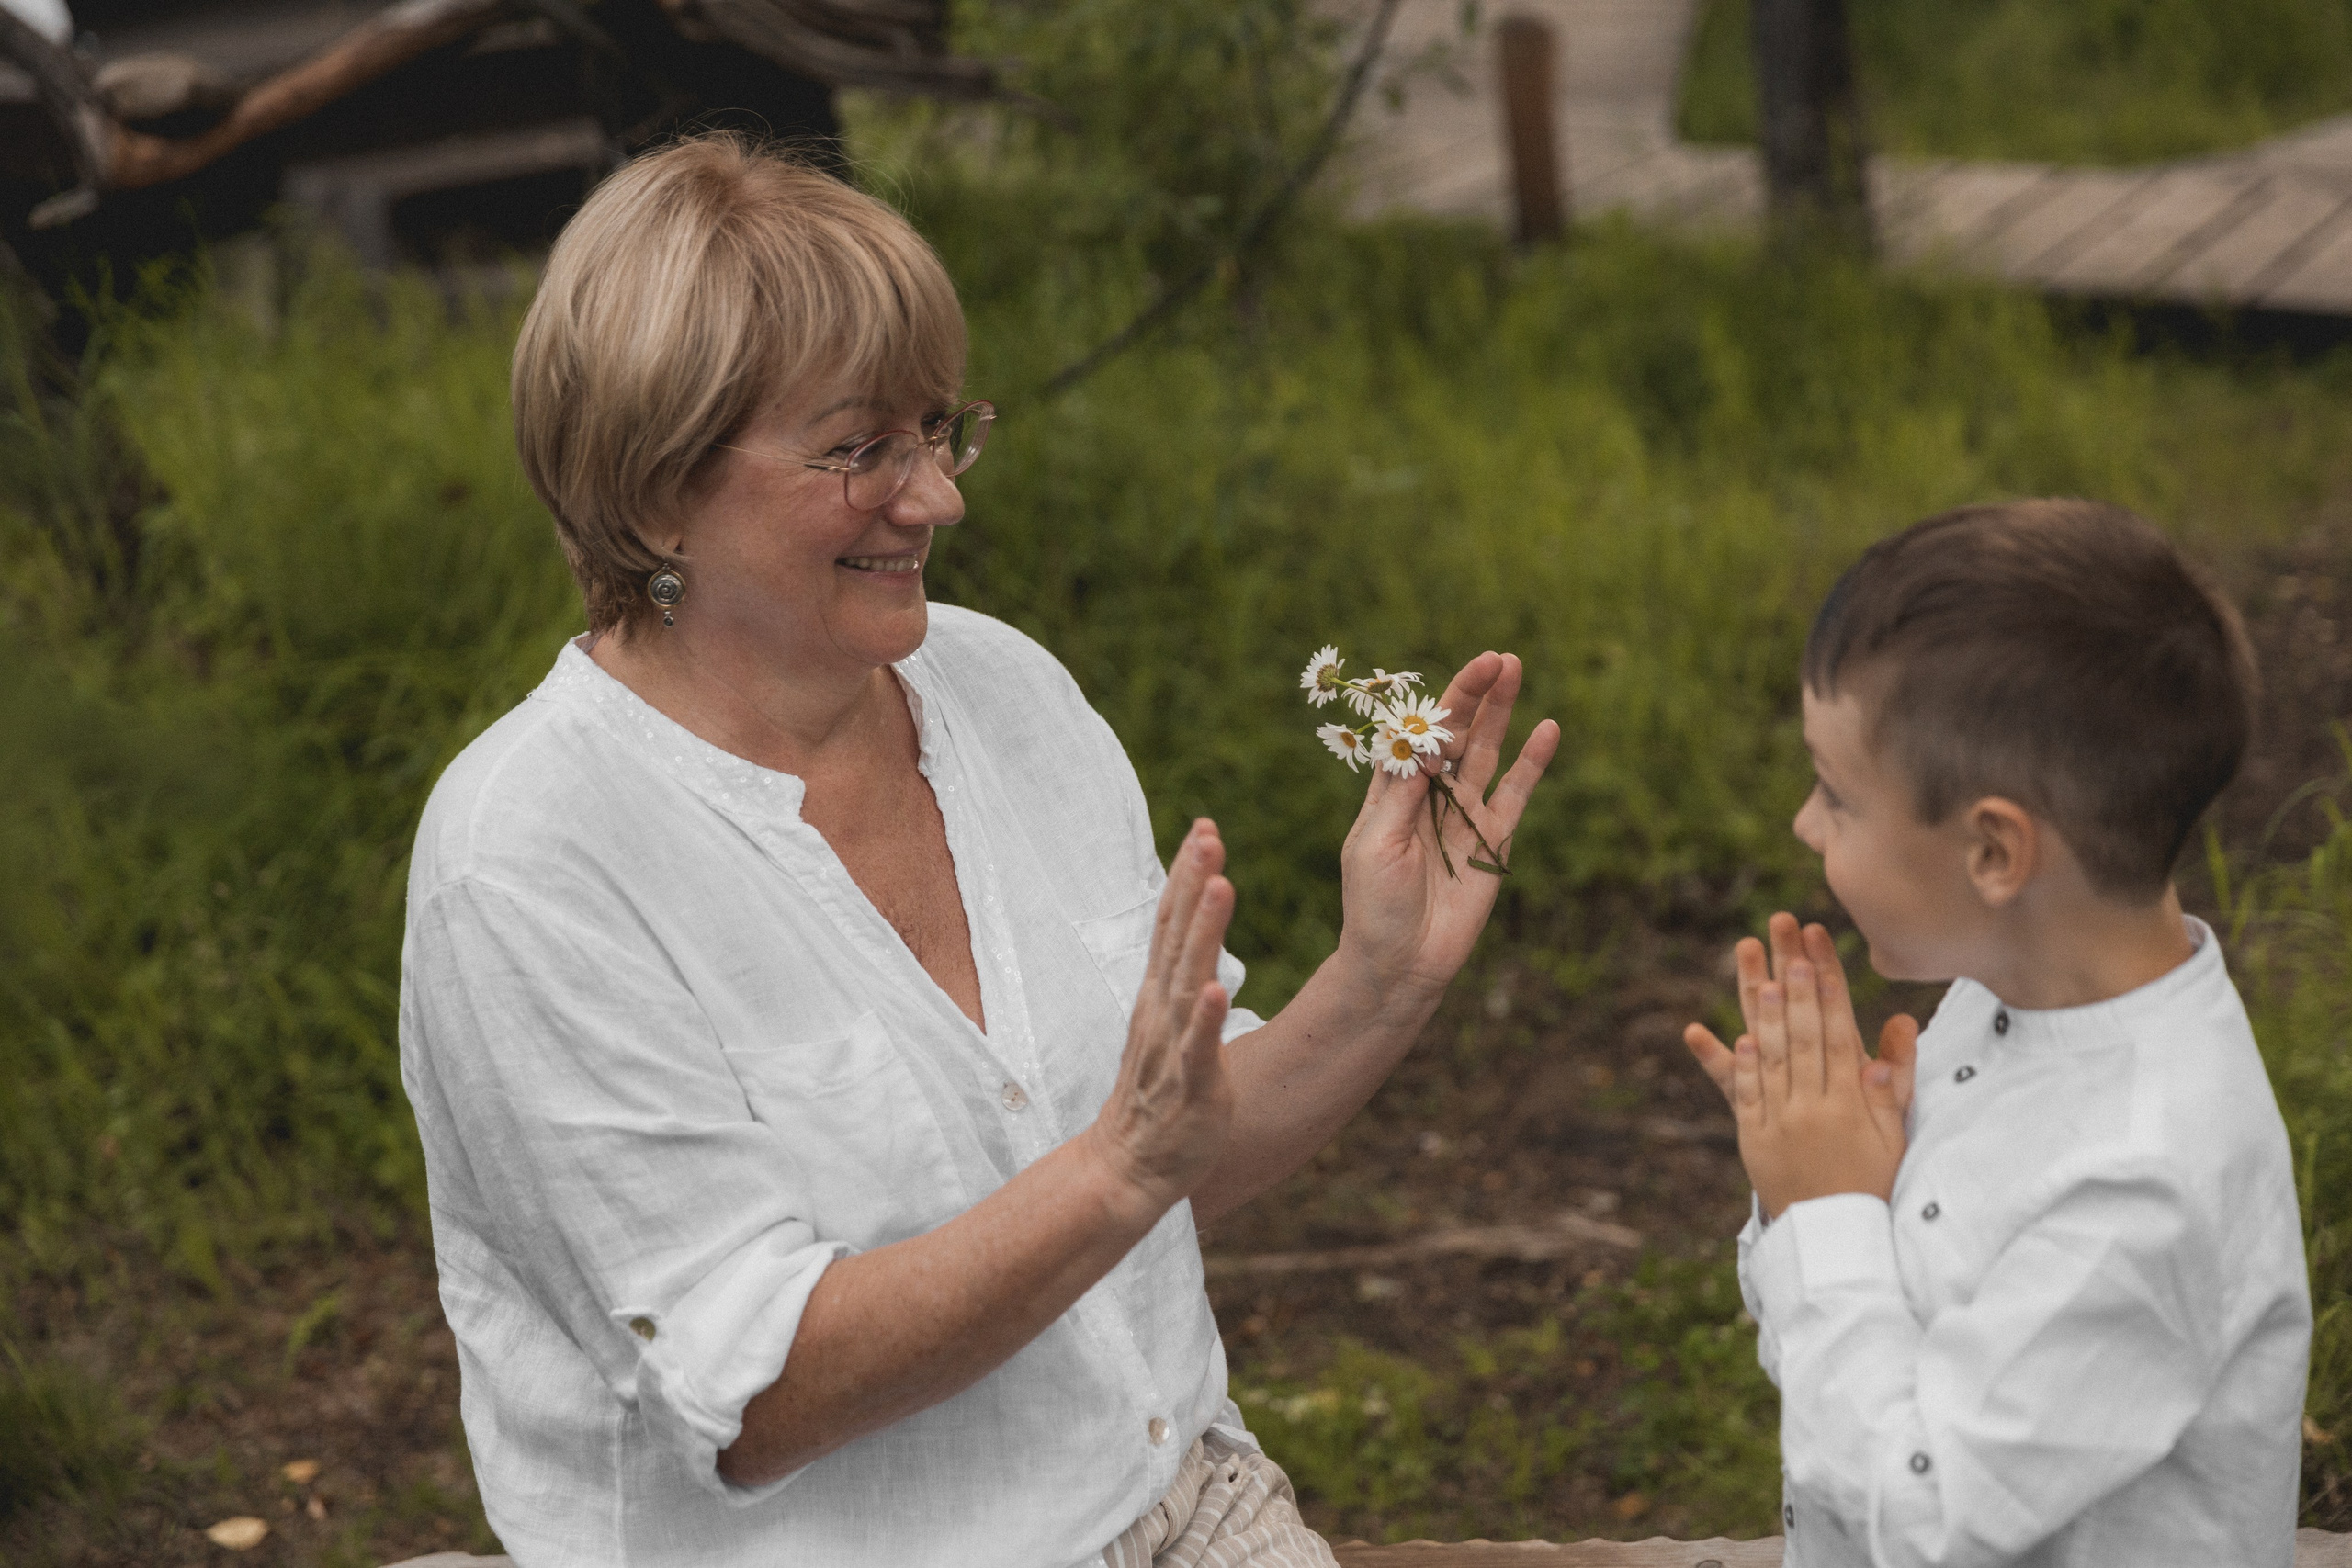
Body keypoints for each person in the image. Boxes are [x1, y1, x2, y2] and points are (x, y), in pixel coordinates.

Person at [396, 132, 1560, 1568]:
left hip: (1184, 1504)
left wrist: (1378, 980)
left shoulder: (1001, 688)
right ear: (651, 495)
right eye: (860, 448)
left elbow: (1172, 1141)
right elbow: (754, 1392)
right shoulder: (531, 858)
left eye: (942, 429)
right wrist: (1118, 1168)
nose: (937, 497)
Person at [1679, 500, 2311, 1566]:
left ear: (1992, 854)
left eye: (1836, 795)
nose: (1802, 823)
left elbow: (1924, 1528)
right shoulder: (2004, 992)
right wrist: (1819, 1175)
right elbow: (1851, 1340)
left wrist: (1824, 1210)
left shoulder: (2143, 1177)